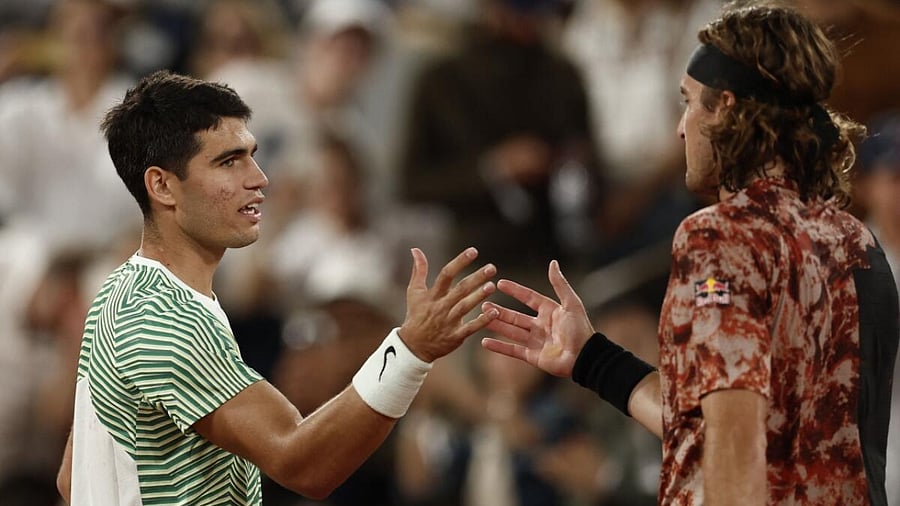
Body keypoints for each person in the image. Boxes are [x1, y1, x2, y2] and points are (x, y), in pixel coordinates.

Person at [480, 2, 900, 505]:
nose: (681, 128)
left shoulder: (721, 238)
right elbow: (720, 429)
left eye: (689, 102)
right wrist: (591, 358)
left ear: (726, 109)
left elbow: (734, 443)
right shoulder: (859, 240)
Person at [55, 69, 499, 506]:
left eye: (251, 154)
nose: (259, 177)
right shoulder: (170, 322)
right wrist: (411, 350)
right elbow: (302, 462)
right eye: (229, 161)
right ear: (163, 186)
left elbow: (73, 479)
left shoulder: (120, 292)